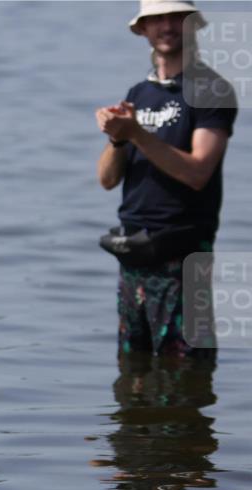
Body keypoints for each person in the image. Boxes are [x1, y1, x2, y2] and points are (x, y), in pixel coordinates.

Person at [95, 0, 237, 358]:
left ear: (192, 25)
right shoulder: (137, 95)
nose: (167, 25)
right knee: (132, 381)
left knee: (185, 380)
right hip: (133, 257)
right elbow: (107, 180)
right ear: (143, 29)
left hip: (183, 258)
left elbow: (198, 172)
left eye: (176, 16)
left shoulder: (211, 89)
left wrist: (138, 133)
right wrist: (118, 137)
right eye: (157, 18)